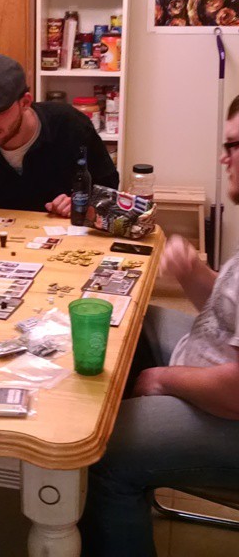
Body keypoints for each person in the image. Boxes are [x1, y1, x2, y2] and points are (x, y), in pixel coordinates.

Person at [80, 96, 239, 557]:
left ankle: (127, 473)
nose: (223, 158)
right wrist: (192, 273)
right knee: (137, 320)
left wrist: (163, 379)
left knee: (103, 449)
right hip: (211, 366)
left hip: (229, 412)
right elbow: (227, 312)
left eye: (233, 146)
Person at [0, 54, 119, 216]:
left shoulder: (71, 125)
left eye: (0, 112)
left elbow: (109, 189)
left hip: (59, 237)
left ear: (25, 102)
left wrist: (82, 204)